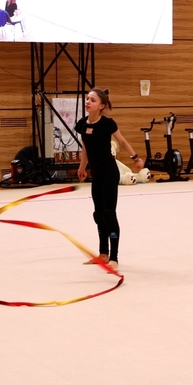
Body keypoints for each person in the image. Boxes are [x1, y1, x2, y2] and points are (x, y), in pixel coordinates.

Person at [75, 89, 144, 272]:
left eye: (93, 100)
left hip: (109, 173)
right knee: (98, 214)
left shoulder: (107, 124)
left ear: (102, 105)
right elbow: (85, 147)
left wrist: (135, 158)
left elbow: (121, 142)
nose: (88, 102)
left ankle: (114, 257)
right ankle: (103, 254)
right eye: (87, 99)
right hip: (96, 174)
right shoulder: (82, 124)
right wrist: (83, 167)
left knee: (108, 214)